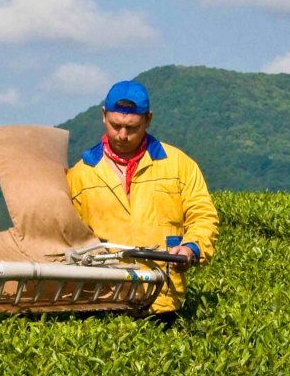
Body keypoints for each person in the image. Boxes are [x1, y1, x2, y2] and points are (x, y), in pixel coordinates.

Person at [66, 80, 218, 316]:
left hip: (164, 299)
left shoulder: (179, 165)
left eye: (132, 128)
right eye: (115, 126)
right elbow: (67, 237)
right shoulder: (80, 175)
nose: (122, 135)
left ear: (148, 120)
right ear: (103, 115)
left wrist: (191, 248)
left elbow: (203, 216)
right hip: (102, 300)